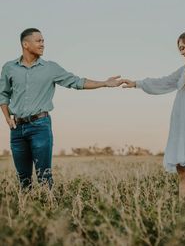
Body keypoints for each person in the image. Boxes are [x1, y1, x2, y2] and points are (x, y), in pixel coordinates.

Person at [0, 28, 122, 189]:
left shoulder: (51, 68)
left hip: (40, 126)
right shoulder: (9, 67)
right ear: (25, 44)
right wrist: (7, 118)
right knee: (23, 178)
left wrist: (104, 83)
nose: (43, 44)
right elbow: (3, 94)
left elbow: (77, 82)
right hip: (17, 129)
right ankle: (27, 211)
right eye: (38, 41)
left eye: (43, 41)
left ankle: (49, 209)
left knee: (44, 175)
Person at [121, 30, 185, 197]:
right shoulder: (184, 70)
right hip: (180, 124)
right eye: (179, 47)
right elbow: (164, 82)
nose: (180, 50)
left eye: (182, 46)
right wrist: (136, 83)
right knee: (182, 170)